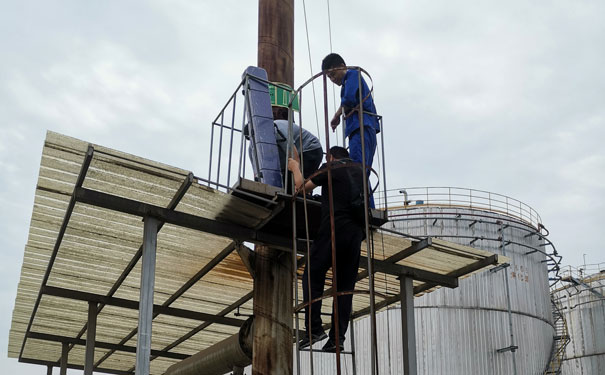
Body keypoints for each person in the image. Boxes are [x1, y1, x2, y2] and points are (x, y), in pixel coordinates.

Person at [288, 146, 364, 352]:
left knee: (312, 273)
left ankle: (314, 329)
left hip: (334, 229)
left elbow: (302, 188)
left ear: (330, 157)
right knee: (344, 289)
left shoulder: (330, 167)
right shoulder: (360, 172)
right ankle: (337, 339)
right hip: (355, 236)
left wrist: (295, 167)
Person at [322, 53, 379, 207]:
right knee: (359, 169)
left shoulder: (353, 74)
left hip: (362, 126)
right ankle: (367, 205)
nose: (333, 80)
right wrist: (336, 116)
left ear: (342, 66)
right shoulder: (348, 83)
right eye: (329, 78)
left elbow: (348, 99)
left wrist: (338, 115)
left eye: (333, 74)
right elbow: (346, 100)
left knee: (357, 169)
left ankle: (361, 205)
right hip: (358, 128)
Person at [245, 107, 323, 189]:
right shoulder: (252, 149)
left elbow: (295, 159)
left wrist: (297, 180)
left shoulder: (279, 131)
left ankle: (303, 194)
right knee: (283, 184)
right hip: (289, 157)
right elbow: (257, 173)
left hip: (310, 149)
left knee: (292, 185)